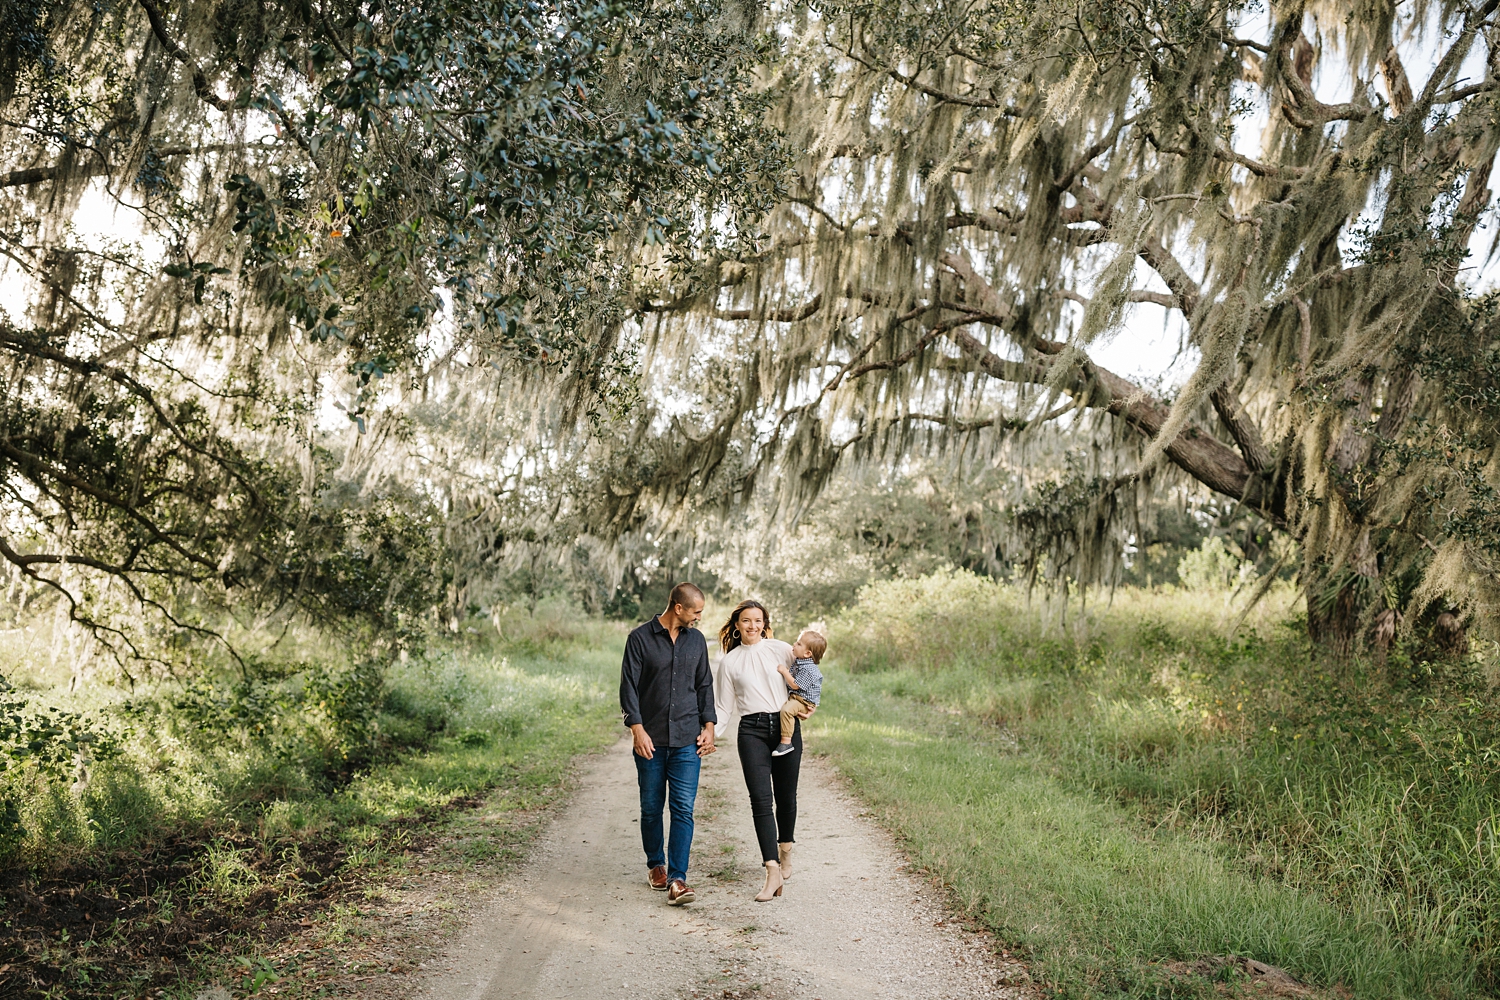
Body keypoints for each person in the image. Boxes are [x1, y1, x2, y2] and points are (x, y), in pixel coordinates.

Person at [619, 582, 717, 906]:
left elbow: (704, 685)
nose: (699, 618)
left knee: (683, 809)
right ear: (678, 608)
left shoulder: (697, 641)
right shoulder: (639, 639)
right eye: (696, 611)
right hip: (651, 740)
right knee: (650, 808)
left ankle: (678, 879)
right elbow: (629, 688)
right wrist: (637, 729)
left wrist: (709, 727)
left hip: (687, 740)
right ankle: (655, 864)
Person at [714, 600, 813, 903]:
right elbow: (722, 707)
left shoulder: (781, 649)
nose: (752, 626)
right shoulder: (729, 662)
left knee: (786, 798)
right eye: (746, 621)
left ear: (765, 623)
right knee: (760, 800)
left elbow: (808, 673)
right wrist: (708, 736)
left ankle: (785, 853)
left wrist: (809, 703)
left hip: (786, 727)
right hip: (752, 731)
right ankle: (771, 870)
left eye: (758, 620)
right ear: (737, 624)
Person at [771, 631, 825, 757]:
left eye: (799, 644)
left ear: (807, 653)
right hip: (797, 697)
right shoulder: (799, 661)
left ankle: (786, 742)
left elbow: (795, 685)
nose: (794, 644)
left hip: (804, 701)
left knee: (787, 711)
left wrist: (784, 671)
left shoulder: (809, 669)